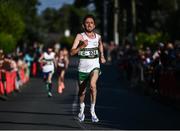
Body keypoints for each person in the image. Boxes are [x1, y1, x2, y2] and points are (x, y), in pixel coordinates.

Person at [70, 14, 106, 122]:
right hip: (82, 68)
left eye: (91, 23)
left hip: (95, 66)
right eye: (87, 22)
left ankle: (93, 111)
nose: (89, 24)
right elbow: (72, 52)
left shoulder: (98, 37)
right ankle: (81, 110)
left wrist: (102, 56)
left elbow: (100, 45)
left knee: (92, 86)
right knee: (82, 92)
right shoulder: (80, 36)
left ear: (94, 25)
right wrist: (81, 46)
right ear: (83, 25)